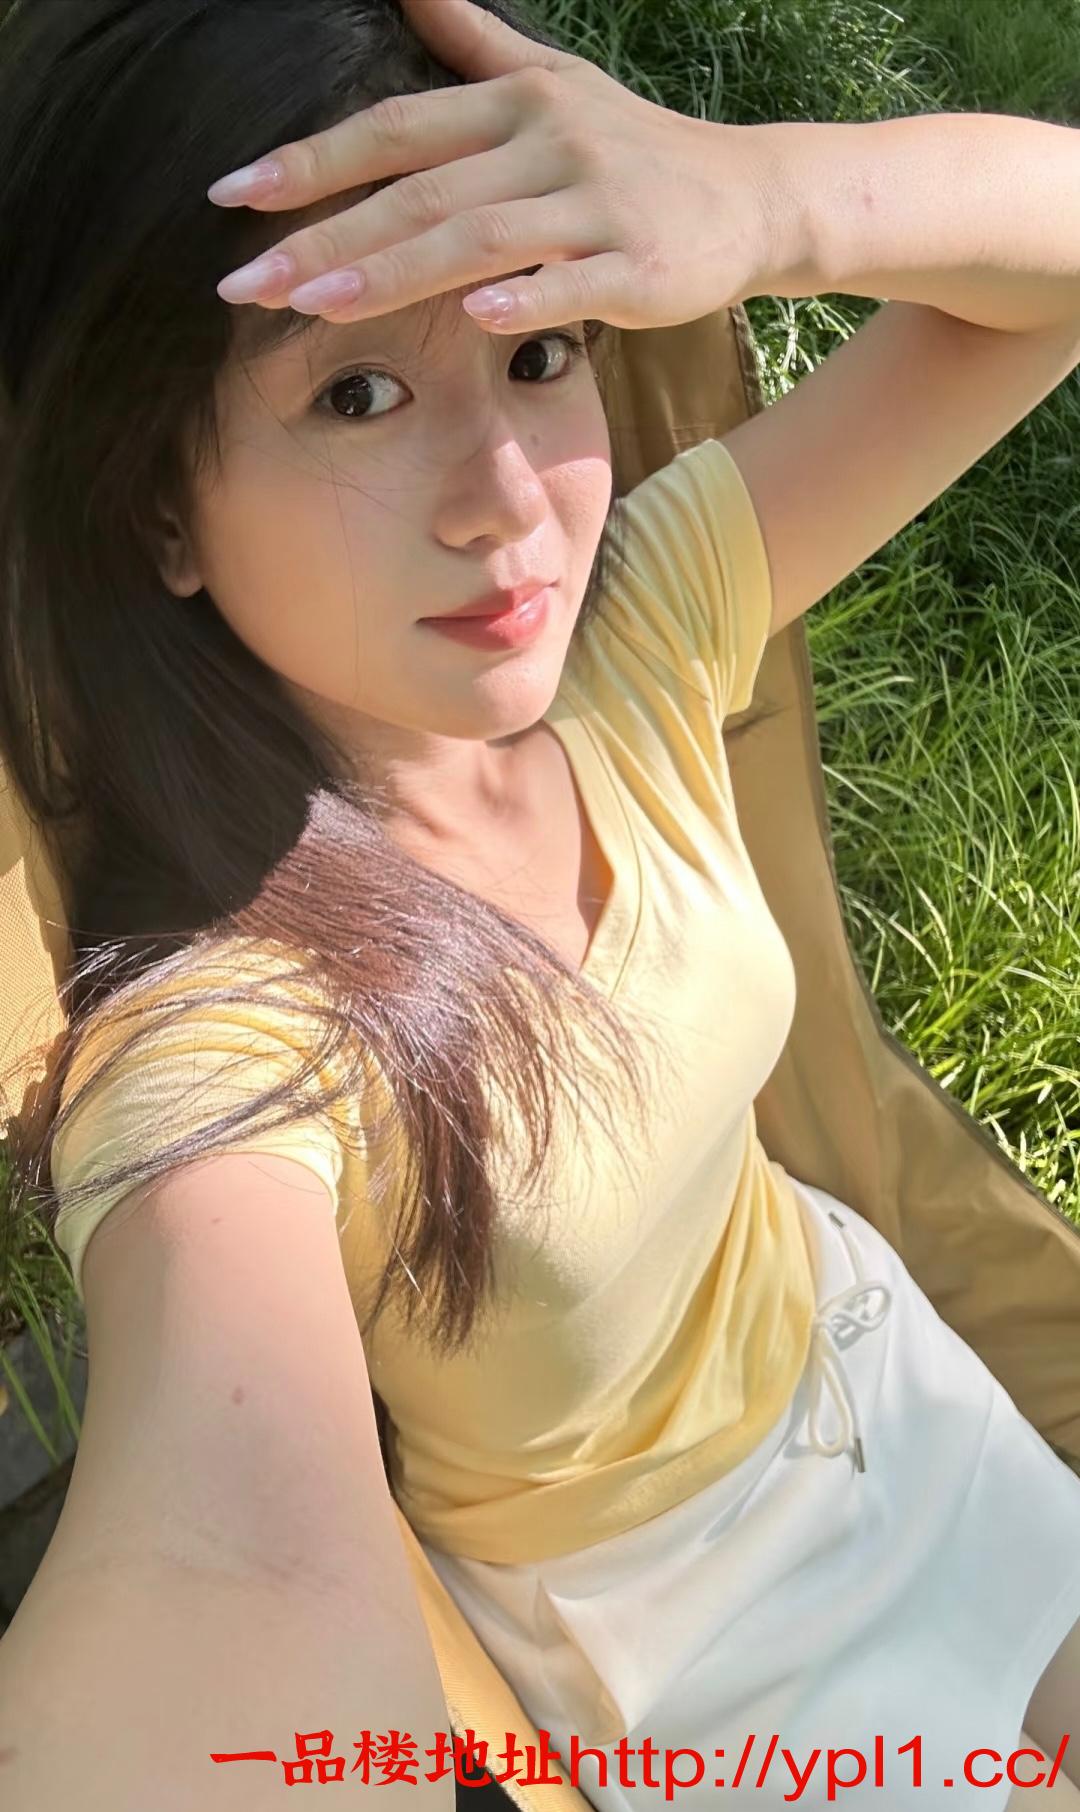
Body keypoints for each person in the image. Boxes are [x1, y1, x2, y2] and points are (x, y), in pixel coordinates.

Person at [0, 3, 1077, 1809]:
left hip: (898, 1388)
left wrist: (754, 198)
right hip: (699, 1658)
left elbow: (1051, 274)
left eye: (539, 349)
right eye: (356, 394)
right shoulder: (224, 1038)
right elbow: (225, 1568)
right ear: (158, 512)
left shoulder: (639, 634)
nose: (508, 505)